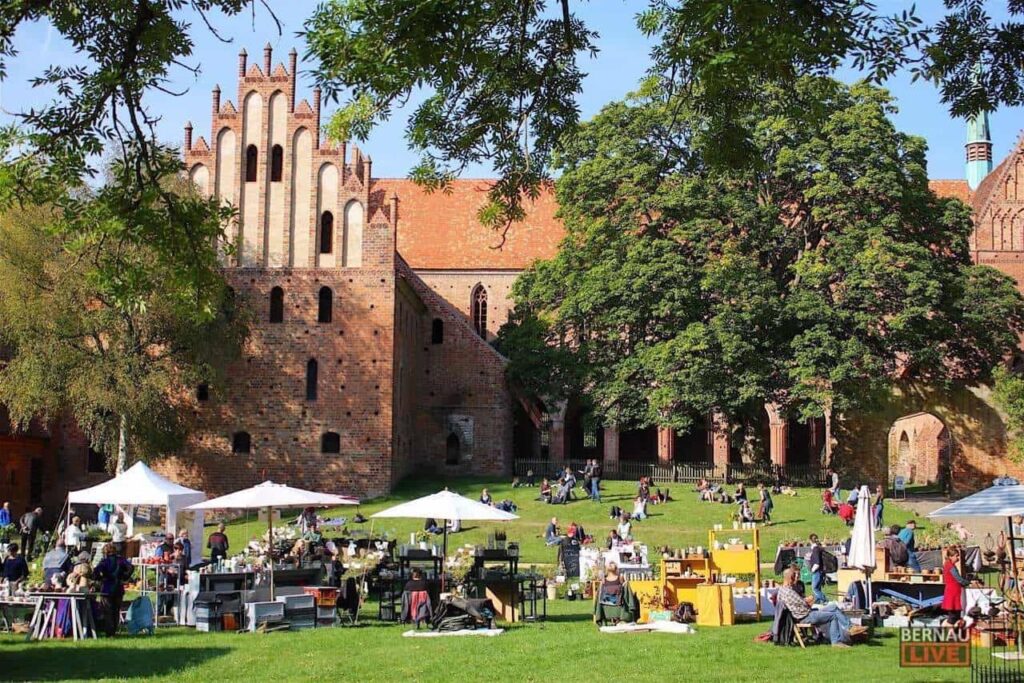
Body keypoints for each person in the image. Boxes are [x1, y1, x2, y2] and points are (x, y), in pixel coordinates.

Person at [776, 567, 852, 647]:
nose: (796, 577)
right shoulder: (789, 592)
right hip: (805, 617)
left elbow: (802, 602)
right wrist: (809, 600)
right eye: (794, 575)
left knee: (834, 607)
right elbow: (804, 603)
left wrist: (807, 601)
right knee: (833, 616)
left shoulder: (782, 590)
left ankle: (850, 627)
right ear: (789, 577)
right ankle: (836, 641)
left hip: (806, 613)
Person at [93, 542, 134, 636]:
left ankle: (109, 632)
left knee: (108, 611)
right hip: (118, 587)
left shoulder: (104, 561)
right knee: (116, 610)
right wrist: (125, 576)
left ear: (105, 552)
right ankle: (114, 630)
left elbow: (96, 572)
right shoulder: (121, 560)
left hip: (107, 588)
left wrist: (100, 578)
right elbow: (131, 567)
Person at [941, 547, 970, 628]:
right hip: (952, 594)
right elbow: (958, 579)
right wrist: (968, 582)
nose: (958, 558)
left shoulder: (949, 565)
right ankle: (944, 634)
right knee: (953, 617)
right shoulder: (950, 566)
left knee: (956, 616)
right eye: (956, 556)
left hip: (954, 593)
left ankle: (949, 633)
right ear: (950, 556)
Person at [808, 534, 827, 604]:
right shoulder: (819, 548)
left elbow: (817, 563)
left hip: (817, 571)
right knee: (818, 588)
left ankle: (825, 600)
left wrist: (812, 570)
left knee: (815, 589)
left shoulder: (815, 549)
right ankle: (818, 603)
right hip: (820, 571)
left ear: (810, 541)